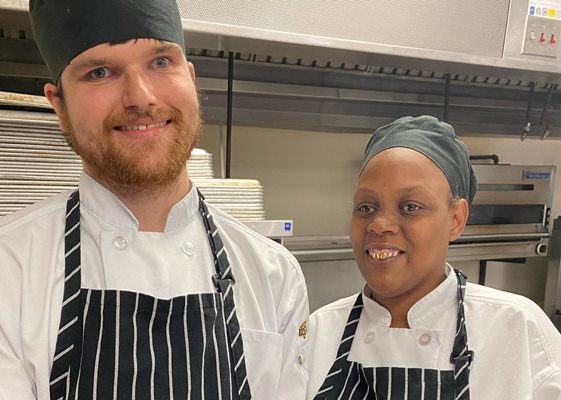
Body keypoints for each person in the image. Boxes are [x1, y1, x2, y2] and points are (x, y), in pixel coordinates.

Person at [0, 0, 308, 398]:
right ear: (58, 105)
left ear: (190, 77)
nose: (140, 97)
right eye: (100, 72)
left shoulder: (272, 274)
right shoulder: (9, 267)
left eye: (161, 63)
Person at [306, 115, 561, 399]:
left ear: (455, 219)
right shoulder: (318, 332)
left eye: (410, 207)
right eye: (366, 207)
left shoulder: (517, 329)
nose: (379, 224)